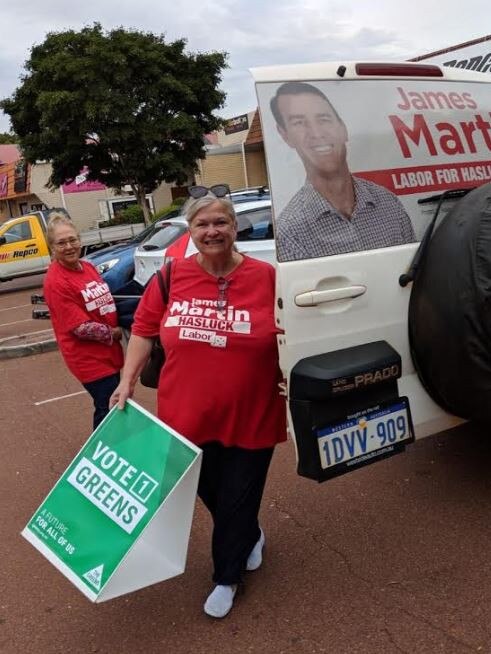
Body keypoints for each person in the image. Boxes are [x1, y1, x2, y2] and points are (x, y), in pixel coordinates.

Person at [110, 193, 286, 618]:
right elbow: (144, 332)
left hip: (253, 411)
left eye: (220, 223)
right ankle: (249, 533)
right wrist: (126, 380)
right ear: (191, 232)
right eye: (202, 225)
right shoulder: (171, 278)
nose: (212, 231)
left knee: (239, 495)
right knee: (214, 494)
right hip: (186, 415)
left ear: (235, 227)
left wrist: (294, 372)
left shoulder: (268, 276)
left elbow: (291, 330)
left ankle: (226, 578)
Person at [270, 81, 416, 261]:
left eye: (323, 119)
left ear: (343, 129)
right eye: (299, 123)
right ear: (285, 136)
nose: (316, 133)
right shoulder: (289, 233)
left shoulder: (389, 204)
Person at [43, 212, 123, 429]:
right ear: (52, 247)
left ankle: (113, 449)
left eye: (72, 240)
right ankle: (100, 453)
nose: (69, 246)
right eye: (61, 243)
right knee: (109, 407)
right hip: (88, 358)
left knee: (113, 405)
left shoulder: (86, 267)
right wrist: (115, 332)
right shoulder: (56, 281)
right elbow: (80, 327)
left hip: (109, 353)